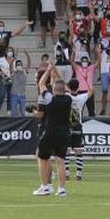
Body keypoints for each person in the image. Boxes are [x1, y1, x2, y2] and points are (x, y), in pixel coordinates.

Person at [32, 69, 72, 197]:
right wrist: (56, 73)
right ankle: (61, 189)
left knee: (42, 158)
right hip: (64, 132)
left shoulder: (50, 99)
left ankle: (45, 186)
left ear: (54, 88)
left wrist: (49, 70)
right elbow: (64, 87)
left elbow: (41, 84)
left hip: (50, 131)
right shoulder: (69, 99)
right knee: (60, 160)